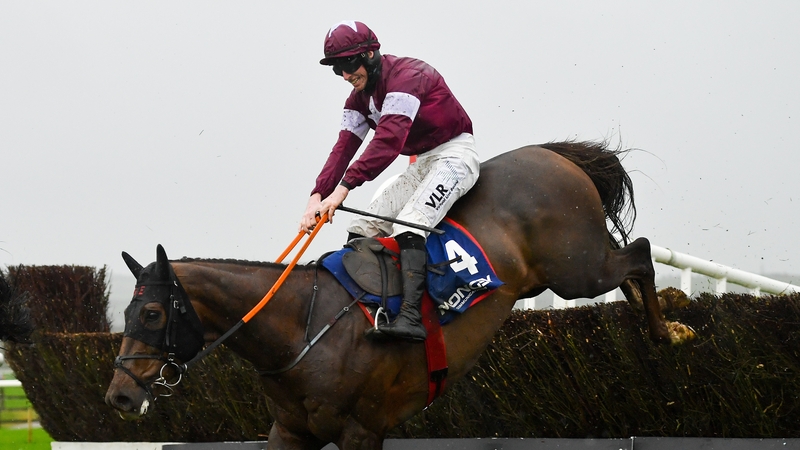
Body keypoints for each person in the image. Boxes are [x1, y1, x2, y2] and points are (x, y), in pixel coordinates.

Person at [300, 20, 480, 342]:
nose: (344, 75)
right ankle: (364, 307)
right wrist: (317, 194)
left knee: (410, 223)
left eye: (349, 64)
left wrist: (342, 190)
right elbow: (343, 148)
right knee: (363, 228)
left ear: (370, 54)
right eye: (337, 68)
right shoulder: (356, 100)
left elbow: (388, 142)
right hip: (422, 164)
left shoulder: (407, 77)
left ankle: (412, 318)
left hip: (455, 155)